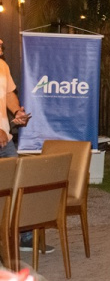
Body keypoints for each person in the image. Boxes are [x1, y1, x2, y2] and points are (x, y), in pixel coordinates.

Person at [0, 38, 54, 253]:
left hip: (5, 142)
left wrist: (17, 111)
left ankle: (23, 236)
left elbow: (8, 93)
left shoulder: (2, 66)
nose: (1, 43)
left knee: (18, 186)